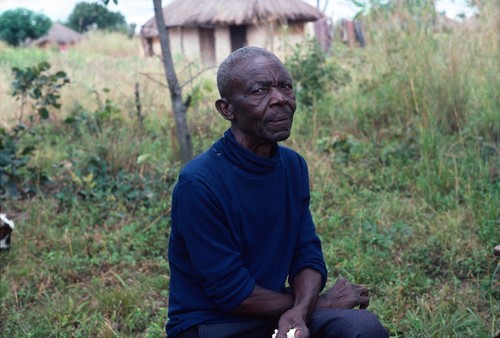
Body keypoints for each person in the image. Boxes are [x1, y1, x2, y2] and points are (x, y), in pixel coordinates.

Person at [166, 46, 388, 338]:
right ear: (226, 109)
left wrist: (300, 311)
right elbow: (233, 294)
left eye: (285, 86)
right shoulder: (199, 183)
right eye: (260, 91)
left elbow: (306, 254)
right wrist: (324, 303)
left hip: (272, 313)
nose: (280, 99)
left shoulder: (292, 166)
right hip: (210, 325)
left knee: (363, 328)